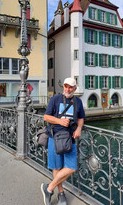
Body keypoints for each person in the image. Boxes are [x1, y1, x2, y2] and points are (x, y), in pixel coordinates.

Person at [41, 77, 85, 205]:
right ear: (63, 87)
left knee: (71, 167)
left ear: (75, 89)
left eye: (70, 87)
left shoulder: (78, 102)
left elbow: (81, 118)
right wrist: (60, 121)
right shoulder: (55, 99)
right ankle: (61, 193)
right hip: (54, 137)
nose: (68, 89)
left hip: (70, 138)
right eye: (66, 86)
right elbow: (46, 117)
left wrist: (79, 128)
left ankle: (48, 188)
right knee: (57, 166)